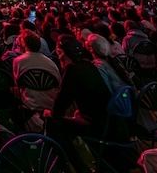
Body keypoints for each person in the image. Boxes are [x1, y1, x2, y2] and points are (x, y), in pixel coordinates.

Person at [45, 36, 129, 173]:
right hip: (110, 122)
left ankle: (79, 167)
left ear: (62, 54)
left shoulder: (72, 71)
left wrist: (50, 113)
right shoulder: (89, 65)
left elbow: (58, 109)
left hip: (98, 126)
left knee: (54, 124)